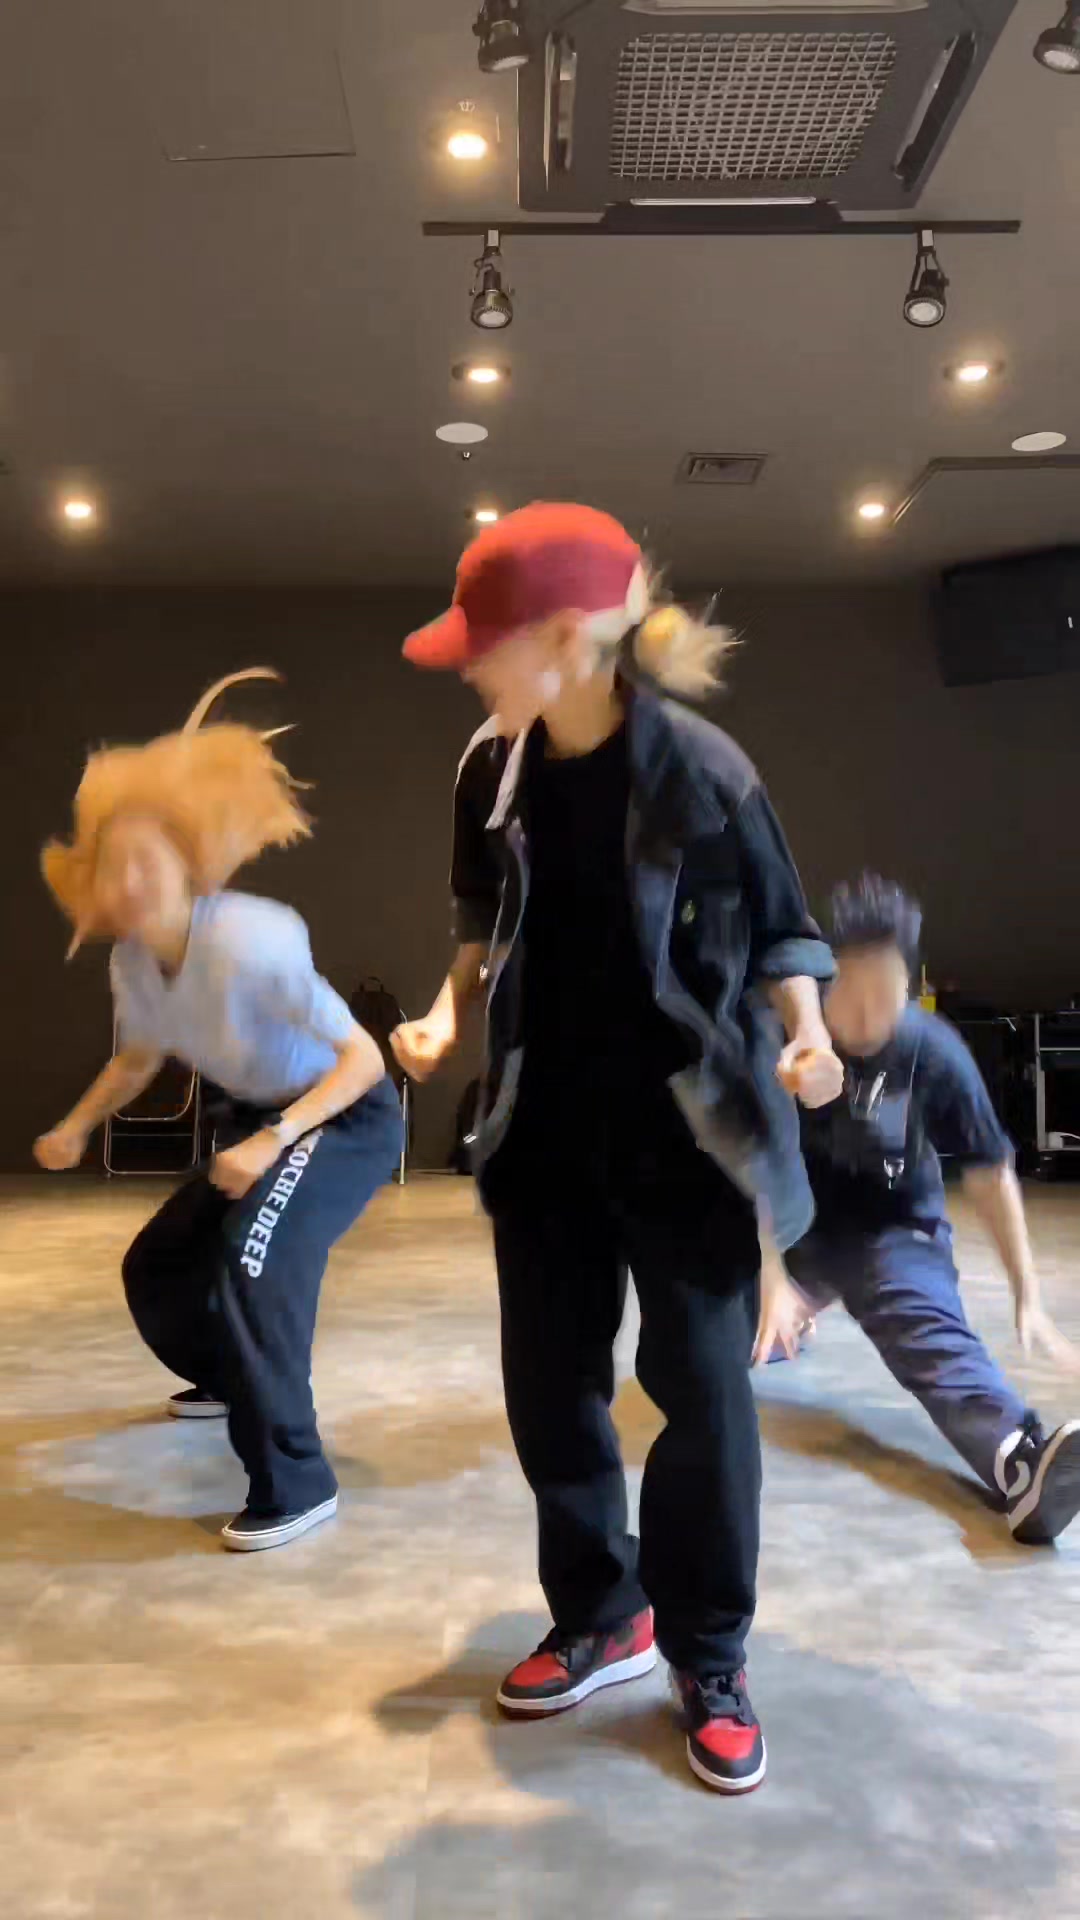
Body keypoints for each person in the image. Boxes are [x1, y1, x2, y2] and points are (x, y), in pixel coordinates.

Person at [392, 502, 840, 1795]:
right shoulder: (491, 770)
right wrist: (446, 1013)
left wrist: (809, 1037)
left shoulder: (703, 767)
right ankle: (603, 1612)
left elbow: (784, 929)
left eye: (485, 644)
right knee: (549, 1385)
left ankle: (710, 1652)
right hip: (543, 1127)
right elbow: (479, 919)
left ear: (568, 641)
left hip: (683, 1135)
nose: (470, 669)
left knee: (701, 1395)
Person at [34, 670, 402, 1552]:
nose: (129, 881)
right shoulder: (132, 962)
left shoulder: (250, 939)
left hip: (340, 1115)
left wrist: (275, 1139)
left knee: (254, 1259)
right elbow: (137, 1059)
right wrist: (77, 1124)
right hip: (258, 1119)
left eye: (146, 862)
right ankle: (229, 1373)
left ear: (186, 866)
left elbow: (363, 1058)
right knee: (158, 1265)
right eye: (112, 866)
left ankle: (297, 1481)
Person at [759, 873, 1080, 1546]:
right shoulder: (792, 1041)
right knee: (702, 1346)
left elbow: (991, 1174)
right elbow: (752, 1163)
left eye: (887, 997)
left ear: (910, 987)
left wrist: (1027, 1296)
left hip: (895, 1231)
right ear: (828, 978)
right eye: (854, 994)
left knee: (928, 1333)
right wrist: (770, 1280)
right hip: (799, 1233)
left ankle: (1019, 1463)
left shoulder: (932, 1051)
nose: (868, 1018)